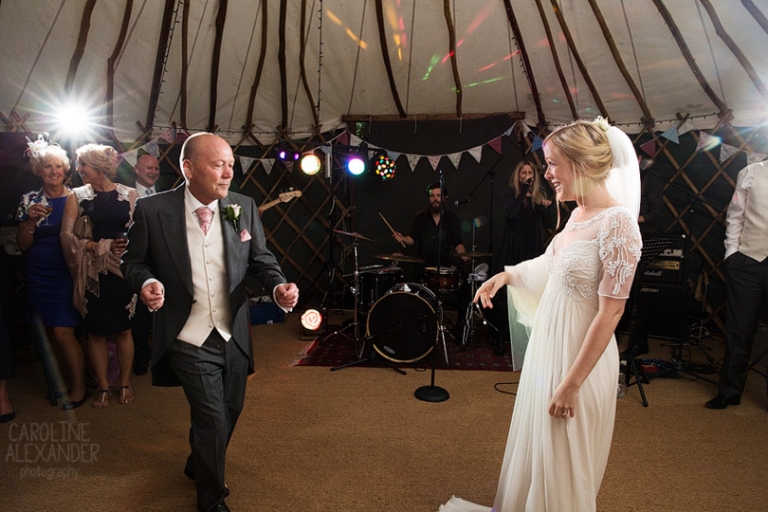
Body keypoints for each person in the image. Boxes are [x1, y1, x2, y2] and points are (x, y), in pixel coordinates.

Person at [437, 118, 642, 512]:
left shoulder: (618, 224)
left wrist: (572, 383)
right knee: (543, 448)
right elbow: (549, 265)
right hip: (550, 350)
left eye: (553, 164)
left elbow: (612, 311)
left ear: (581, 164)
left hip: (580, 360)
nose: (547, 175)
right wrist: (506, 276)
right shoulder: (577, 216)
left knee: (564, 456)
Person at [121, 133, 299, 512]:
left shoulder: (242, 206)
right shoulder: (153, 210)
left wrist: (278, 286)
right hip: (187, 333)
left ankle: (197, 461)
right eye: (218, 165)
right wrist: (146, 281)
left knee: (231, 409)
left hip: (232, 331)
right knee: (213, 419)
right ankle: (211, 500)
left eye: (231, 165)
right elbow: (132, 262)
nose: (228, 173)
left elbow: (261, 259)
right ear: (189, 168)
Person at [61, 144, 139, 409]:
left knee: (124, 329)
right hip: (93, 273)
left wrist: (125, 247)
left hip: (121, 270)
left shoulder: (129, 194)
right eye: (78, 164)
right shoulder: (77, 196)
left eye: (83, 164)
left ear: (99, 166)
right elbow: (66, 236)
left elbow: (138, 234)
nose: (78, 169)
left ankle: (125, 383)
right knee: (95, 332)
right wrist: (93, 246)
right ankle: (104, 386)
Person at [15, 137, 87, 410]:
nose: (54, 171)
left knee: (63, 331)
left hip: (67, 271)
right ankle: (63, 382)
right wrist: (31, 221)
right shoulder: (29, 200)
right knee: (49, 330)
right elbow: (23, 245)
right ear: (39, 170)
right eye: (48, 166)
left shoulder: (77, 197)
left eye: (58, 166)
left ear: (65, 169)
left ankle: (79, 386)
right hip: (38, 272)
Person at [705, 160, 768, 410]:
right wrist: (732, 252)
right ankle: (730, 391)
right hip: (747, 262)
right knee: (739, 329)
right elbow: (735, 214)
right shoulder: (751, 172)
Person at [129, 154, 162, 376]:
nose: (153, 172)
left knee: (164, 311)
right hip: (138, 258)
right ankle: (140, 359)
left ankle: (163, 359)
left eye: (156, 168)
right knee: (139, 313)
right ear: (137, 169)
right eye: (149, 168)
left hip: (163, 259)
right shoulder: (126, 195)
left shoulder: (168, 194)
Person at [498, 160, 553, 266]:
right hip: (515, 245)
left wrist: (547, 208)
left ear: (534, 176)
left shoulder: (538, 196)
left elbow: (549, 223)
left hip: (533, 245)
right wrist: (524, 189)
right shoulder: (510, 193)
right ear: (518, 175)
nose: (527, 176)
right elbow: (511, 213)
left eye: (530, 173)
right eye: (524, 172)